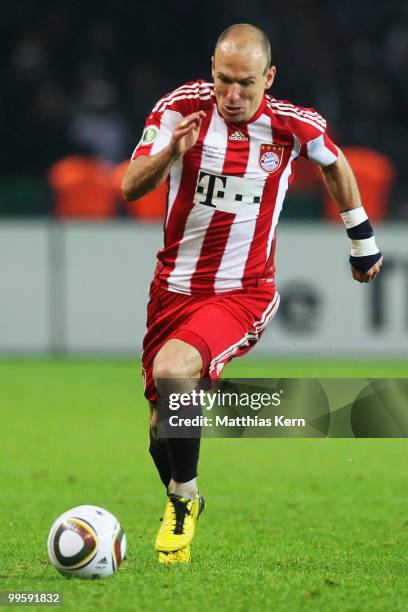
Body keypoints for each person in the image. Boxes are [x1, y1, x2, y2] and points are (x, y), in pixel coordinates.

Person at [122, 23, 383, 564]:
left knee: (175, 370)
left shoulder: (291, 125)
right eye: (223, 81)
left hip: (244, 292)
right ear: (210, 72)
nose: (233, 96)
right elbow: (130, 187)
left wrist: (362, 239)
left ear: (269, 77)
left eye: (246, 83)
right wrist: (172, 150)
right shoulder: (179, 110)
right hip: (171, 290)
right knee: (160, 429)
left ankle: (179, 501)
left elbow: (335, 164)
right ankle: (187, 494)